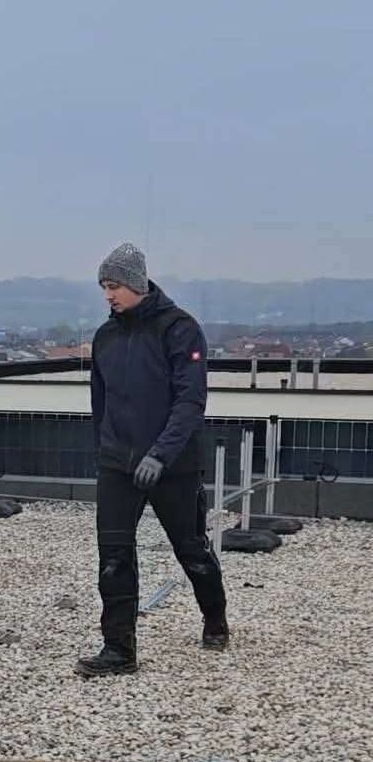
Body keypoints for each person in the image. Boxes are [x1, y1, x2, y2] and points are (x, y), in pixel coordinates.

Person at [77, 242, 229, 677]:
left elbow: (190, 400)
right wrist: (105, 453)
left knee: (192, 550)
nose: (108, 295)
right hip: (117, 466)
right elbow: (99, 403)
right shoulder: (105, 336)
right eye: (104, 286)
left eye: (115, 285)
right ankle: (118, 649)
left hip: (172, 466)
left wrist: (161, 454)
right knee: (114, 557)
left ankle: (215, 617)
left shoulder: (179, 329)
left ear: (137, 284)